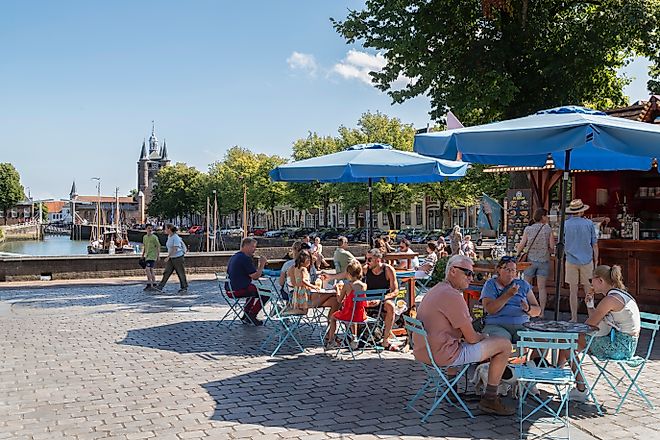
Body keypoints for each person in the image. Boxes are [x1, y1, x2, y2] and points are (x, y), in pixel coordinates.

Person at [414, 255, 515, 416]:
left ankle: (451, 389)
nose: (471, 278)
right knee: (504, 345)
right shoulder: (453, 296)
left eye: (472, 274)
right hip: (443, 354)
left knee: (458, 339)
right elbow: (472, 339)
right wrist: (484, 336)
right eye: (467, 273)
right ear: (453, 271)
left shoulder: (436, 289)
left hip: (424, 351)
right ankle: (490, 398)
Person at [559, 265, 640, 402]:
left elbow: (590, 326)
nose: (591, 284)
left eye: (592, 280)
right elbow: (596, 325)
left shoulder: (609, 300)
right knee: (571, 341)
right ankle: (560, 370)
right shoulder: (619, 295)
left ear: (600, 281)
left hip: (618, 347)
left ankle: (579, 387)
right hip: (626, 344)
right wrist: (590, 306)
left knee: (566, 341)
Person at [480, 256, 542, 342]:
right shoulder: (491, 284)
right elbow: (490, 309)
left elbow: (538, 311)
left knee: (542, 341)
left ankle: (536, 356)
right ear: (498, 269)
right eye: (507, 270)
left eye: (513, 270)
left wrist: (528, 309)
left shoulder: (523, 284)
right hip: (497, 325)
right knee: (501, 342)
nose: (510, 273)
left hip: (522, 326)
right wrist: (508, 295)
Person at [564, 199, 598, 322]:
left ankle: (574, 317)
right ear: (582, 211)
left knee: (573, 291)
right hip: (587, 260)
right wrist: (596, 259)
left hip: (571, 260)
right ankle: (591, 316)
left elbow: (561, 242)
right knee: (588, 291)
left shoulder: (566, 224)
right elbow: (594, 243)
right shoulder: (589, 224)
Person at [516, 208, 555, 315]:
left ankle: (527, 309)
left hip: (530, 261)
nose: (547, 218)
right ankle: (541, 312)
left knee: (526, 286)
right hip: (544, 260)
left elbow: (522, 244)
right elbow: (552, 246)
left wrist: (517, 254)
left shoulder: (528, 229)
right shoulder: (548, 229)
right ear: (542, 217)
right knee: (542, 288)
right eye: (546, 216)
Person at [226, 237, 269, 325]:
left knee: (253, 292)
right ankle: (252, 315)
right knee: (266, 293)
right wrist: (262, 264)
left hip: (230, 289)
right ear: (246, 246)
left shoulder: (235, 256)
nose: (255, 249)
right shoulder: (245, 258)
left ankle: (246, 315)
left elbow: (249, 272)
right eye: (253, 247)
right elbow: (255, 277)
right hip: (238, 290)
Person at [325, 260, 367, 349]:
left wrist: (337, 290)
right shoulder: (364, 285)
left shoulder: (347, 285)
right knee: (353, 316)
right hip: (361, 315)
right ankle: (354, 337)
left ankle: (331, 340)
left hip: (348, 314)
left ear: (348, 273)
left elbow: (339, 300)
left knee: (333, 317)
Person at [364, 248, 400, 351]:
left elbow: (395, 290)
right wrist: (331, 276)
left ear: (378, 260)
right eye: (366, 259)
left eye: (369, 259)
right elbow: (349, 274)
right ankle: (354, 337)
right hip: (368, 299)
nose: (367, 262)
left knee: (391, 306)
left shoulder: (388, 270)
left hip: (383, 299)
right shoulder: (366, 269)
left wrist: (383, 298)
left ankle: (386, 340)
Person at [154, 224, 188, 294]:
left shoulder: (175, 237)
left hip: (178, 258)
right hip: (172, 257)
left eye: (166, 228)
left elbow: (175, 248)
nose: (165, 230)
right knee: (167, 272)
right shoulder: (170, 236)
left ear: (169, 229)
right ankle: (160, 286)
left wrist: (168, 257)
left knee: (180, 272)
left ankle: (184, 287)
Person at [141, 224, 161, 291]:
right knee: (151, 270)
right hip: (147, 255)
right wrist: (142, 255)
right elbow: (144, 246)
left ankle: (149, 284)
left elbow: (158, 246)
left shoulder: (154, 237)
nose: (150, 229)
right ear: (146, 229)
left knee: (147, 269)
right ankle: (154, 283)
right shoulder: (144, 237)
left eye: (151, 228)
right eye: (149, 228)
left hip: (152, 255)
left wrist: (158, 255)